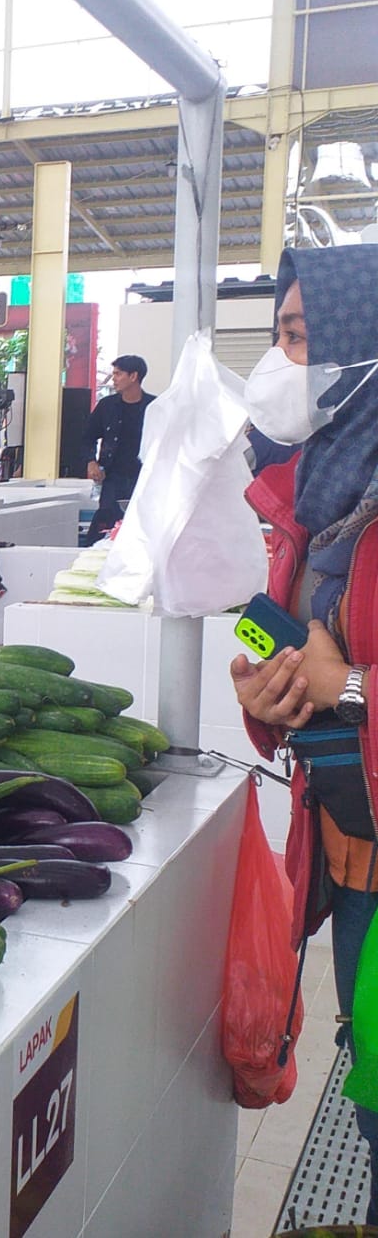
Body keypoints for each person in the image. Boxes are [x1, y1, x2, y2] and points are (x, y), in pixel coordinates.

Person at [232, 243, 378, 1224]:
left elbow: (348, 680)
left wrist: (351, 687)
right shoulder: (312, 500)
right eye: (276, 336)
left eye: (296, 337)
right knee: (368, 1075)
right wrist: (265, 692)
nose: (278, 362)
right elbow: (284, 664)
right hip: (346, 852)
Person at [81, 354, 156, 542]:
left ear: (133, 376)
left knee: (142, 522)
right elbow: (87, 436)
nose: (114, 378)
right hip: (113, 477)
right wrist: (91, 462)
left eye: (118, 374)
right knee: (107, 520)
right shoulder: (107, 406)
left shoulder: (154, 407)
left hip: (144, 476)